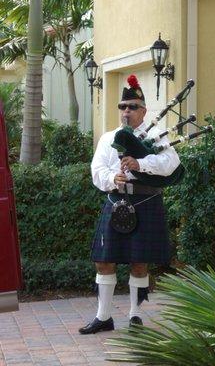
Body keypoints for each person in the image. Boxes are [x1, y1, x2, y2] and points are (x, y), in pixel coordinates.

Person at [79, 74, 180, 334]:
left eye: (132, 107)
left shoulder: (157, 135)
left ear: (143, 111)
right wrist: (113, 177)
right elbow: (96, 170)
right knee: (104, 261)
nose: (126, 111)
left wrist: (140, 164)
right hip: (116, 200)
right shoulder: (108, 138)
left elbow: (171, 165)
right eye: (123, 107)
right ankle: (104, 317)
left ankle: (135, 316)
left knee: (139, 262)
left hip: (145, 200)